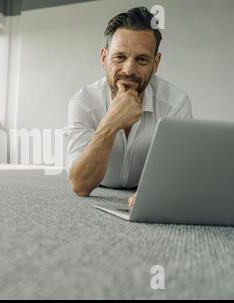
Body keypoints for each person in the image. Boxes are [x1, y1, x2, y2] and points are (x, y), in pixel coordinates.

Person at [65, 6, 192, 207]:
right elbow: (81, 185)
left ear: (156, 63)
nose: (129, 69)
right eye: (120, 57)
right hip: (100, 188)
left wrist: (157, 191)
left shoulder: (176, 104)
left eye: (142, 59)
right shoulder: (83, 102)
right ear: (104, 58)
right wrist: (110, 123)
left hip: (141, 192)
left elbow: (179, 173)